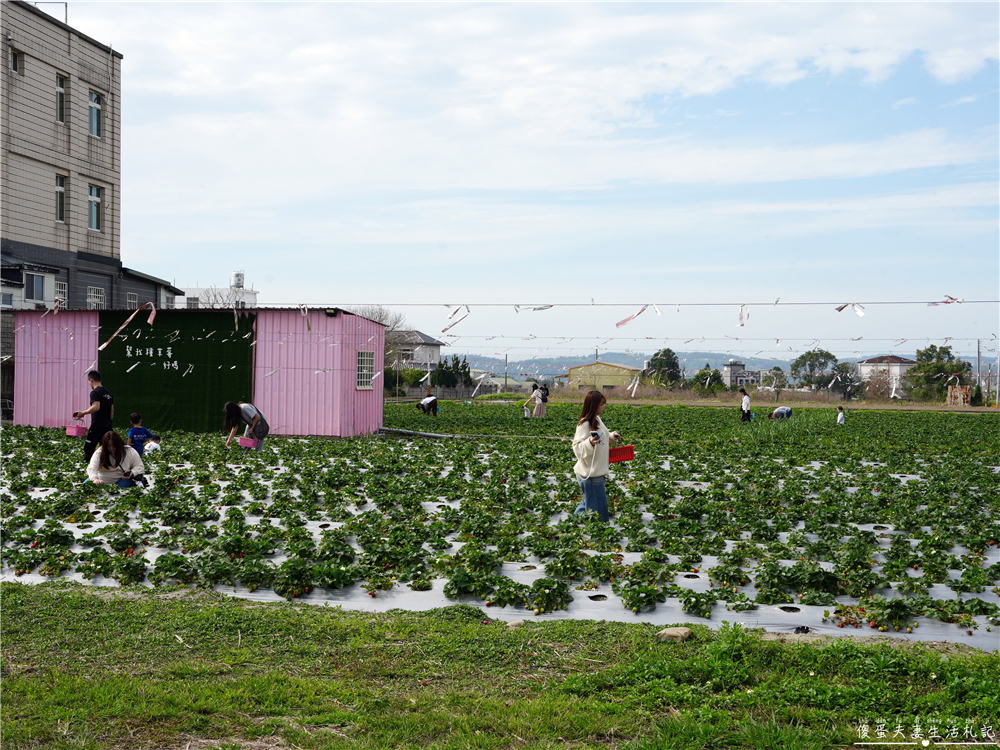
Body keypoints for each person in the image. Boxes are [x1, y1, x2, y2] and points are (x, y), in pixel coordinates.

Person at [571, 390, 621, 522]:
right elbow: (576, 447)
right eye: (601, 404)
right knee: (599, 509)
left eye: (604, 404)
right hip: (589, 474)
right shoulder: (585, 423)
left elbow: (602, 437)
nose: (603, 407)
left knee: (588, 503)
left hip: (596, 471)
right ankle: (599, 531)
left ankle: (572, 524)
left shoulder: (597, 419)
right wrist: (589, 443)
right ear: (593, 405)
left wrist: (611, 437)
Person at [73, 370, 114, 464]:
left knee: (89, 448)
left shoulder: (95, 392)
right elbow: (112, 412)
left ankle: (87, 468)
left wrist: (83, 413)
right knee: (106, 450)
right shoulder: (109, 394)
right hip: (108, 426)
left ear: (91, 380)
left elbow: (96, 407)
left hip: (97, 426)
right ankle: (106, 469)